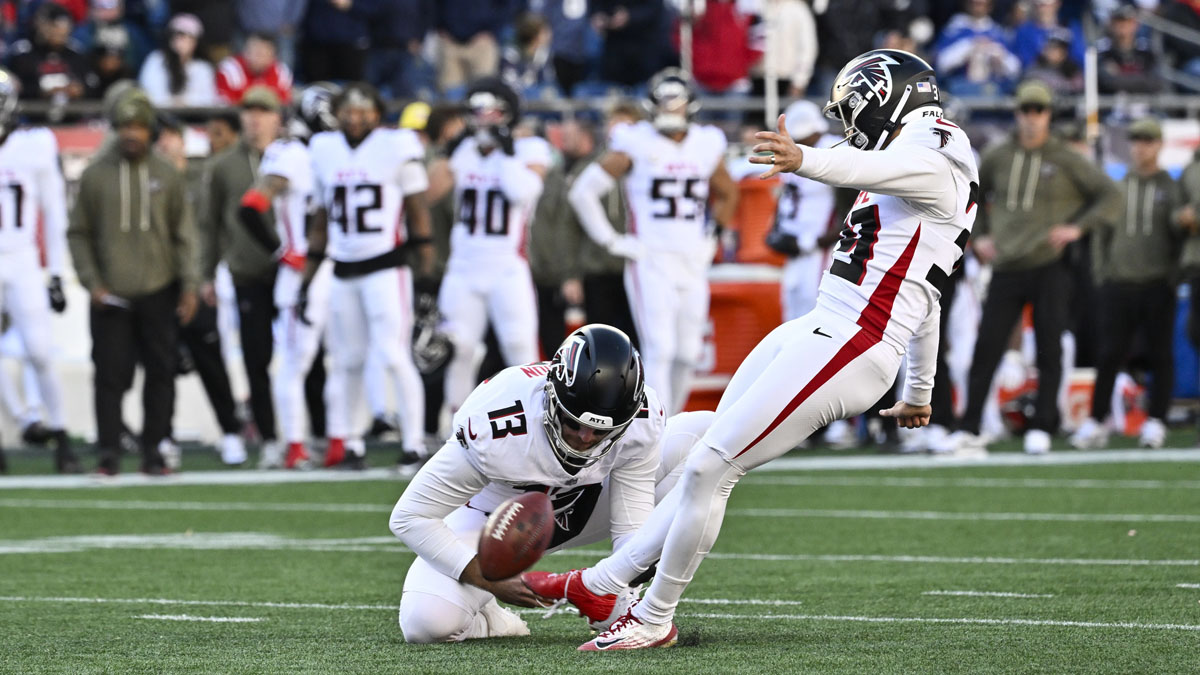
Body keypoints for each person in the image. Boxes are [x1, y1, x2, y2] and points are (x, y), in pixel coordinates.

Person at [526, 48, 979, 649]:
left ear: (883, 97)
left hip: (857, 337)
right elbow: (927, 289)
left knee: (714, 465)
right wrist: (919, 391)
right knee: (706, 454)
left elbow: (869, 173)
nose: (850, 125)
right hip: (828, 323)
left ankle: (653, 615)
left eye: (854, 110)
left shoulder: (937, 149)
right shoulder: (913, 153)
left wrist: (806, 158)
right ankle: (604, 583)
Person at [390, 324, 677, 643]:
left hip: (583, 507)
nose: (585, 438)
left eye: (601, 432)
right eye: (573, 422)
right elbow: (409, 516)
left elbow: (631, 521)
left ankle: (624, 603)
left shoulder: (642, 419)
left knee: (702, 441)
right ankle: (492, 619)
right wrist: (489, 579)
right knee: (426, 624)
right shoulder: (497, 421)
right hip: (493, 524)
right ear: (551, 396)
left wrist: (621, 582)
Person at [946, 80, 1120, 455]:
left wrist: (1077, 228)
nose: (1031, 118)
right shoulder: (998, 154)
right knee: (986, 347)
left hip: (1049, 264)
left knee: (1049, 347)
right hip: (1006, 263)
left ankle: (1042, 424)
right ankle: (971, 425)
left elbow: (1109, 194)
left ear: (1048, 116)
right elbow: (970, 193)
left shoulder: (1065, 157)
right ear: (1017, 113)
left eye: (1039, 111)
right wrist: (979, 235)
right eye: (1026, 110)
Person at [568, 68, 738, 414]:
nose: (669, 110)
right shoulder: (636, 142)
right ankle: (652, 427)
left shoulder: (705, 143)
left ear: (689, 105)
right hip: (652, 259)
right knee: (659, 347)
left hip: (692, 259)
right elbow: (582, 192)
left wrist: (713, 234)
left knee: (687, 352)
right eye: (663, 103)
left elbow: (729, 193)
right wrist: (612, 241)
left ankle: (668, 421)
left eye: (675, 103)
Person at [68, 88, 198, 475]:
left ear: (150, 131)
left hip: (159, 288)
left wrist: (190, 285)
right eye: (125, 126)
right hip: (111, 294)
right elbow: (78, 234)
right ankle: (109, 452)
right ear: (115, 128)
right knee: (110, 375)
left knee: (160, 374)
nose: (132, 134)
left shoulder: (166, 174)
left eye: (139, 127)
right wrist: (93, 283)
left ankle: (154, 451)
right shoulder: (94, 175)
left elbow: (185, 234)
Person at [304, 82, 434, 469]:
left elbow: (418, 210)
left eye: (364, 110)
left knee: (394, 354)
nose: (356, 117)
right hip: (343, 269)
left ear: (377, 113)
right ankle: (352, 441)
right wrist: (307, 277)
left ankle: (414, 442)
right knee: (348, 360)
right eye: (349, 109)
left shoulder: (396, 146)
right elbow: (322, 219)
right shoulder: (324, 149)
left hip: (385, 266)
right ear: (338, 112)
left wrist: (426, 272)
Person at [237, 82, 342, 469]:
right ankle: (295, 445)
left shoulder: (332, 153)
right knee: (296, 364)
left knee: (344, 361)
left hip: (337, 269)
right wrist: (281, 251)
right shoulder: (292, 153)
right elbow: (250, 206)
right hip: (304, 274)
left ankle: (338, 442)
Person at [439, 78, 550, 416]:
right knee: (460, 349)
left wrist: (506, 153)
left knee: (520, 349)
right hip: (464, 265)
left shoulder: (530, 148)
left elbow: (522, 192)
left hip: (507, 265)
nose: (484, 120)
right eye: (477, 112)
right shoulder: (464, 150)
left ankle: (538, 423)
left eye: (492, 112)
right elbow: (430, 190)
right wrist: (446, 152)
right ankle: (455, 428)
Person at [1071, 119, 1181, 450]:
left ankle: (1156, 420)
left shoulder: (1171, 188)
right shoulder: (1118, 187)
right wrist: (1104, 275)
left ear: (1159, 145)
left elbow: (1178, 236)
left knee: (1160, 355)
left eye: (1147, 140)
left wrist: (1172, 277)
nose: (1140, 147)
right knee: (1109, 354)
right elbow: (1102, 233)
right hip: (1119, 283)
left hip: (1157, 282)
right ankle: (1097, 419)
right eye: (1136, 140)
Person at [154, 114, 246, 467]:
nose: (165, 143)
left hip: (197, 279)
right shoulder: (148, 178)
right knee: (161, 364)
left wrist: (207, 276)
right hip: (160, 283)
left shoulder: (202, 174)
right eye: (159, 138)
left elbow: (213, 229)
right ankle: (163, 436)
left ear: (181, 139)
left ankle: (231, 431)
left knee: (210, 360)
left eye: (170, 136)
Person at [0, 69, 79, 473]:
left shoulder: (32, 145)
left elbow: (54, 212)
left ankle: (61, 434)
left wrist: (55, 273)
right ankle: (17, 424)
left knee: (40, 352)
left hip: (22, 258)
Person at [202, 86, 285, 466]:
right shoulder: (223, 166)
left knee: (307, 358)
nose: (254, 118)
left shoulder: (293, 156)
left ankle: (313, 433)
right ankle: (268, 437)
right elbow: (211, 224)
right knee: (256, 358)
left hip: (295, 275)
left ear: (276, 118)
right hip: (247, 273)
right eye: (249, 111)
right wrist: (206, 274)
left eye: (262, 111)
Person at [765, 99, 841, 322]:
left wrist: (817, 241)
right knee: (791, 316)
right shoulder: (792, 154)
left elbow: (849, 208)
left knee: (816, 315)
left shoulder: (835, 150)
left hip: (823, 251)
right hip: (795, 249)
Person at [7, 2, 88, 102]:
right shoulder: (23, 52)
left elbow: (90, 85)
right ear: (41, 25)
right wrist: (42, 92)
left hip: (71, 114)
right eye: (54, 26)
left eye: (63, 26)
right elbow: (14, 87)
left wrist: (79, 90)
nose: (59, 31)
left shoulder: (75, 52)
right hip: (30, 113)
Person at [138, 13, 218, 107]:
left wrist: (185, 102)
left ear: (196, 42)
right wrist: (172, 102)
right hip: (160, 117)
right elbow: (148, 94)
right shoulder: (156, 60)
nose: (183, 41)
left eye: (190, 37)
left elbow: (209, 99)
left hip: (196, 119)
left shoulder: (203, 68)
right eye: (179, 36)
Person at [215, 32, 292, 105]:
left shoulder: (281, 71)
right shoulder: (230, 70)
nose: (255, 58)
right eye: (251, 52)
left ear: (273, 57)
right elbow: (224, 106)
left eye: (261, 54)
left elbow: (284, 104)